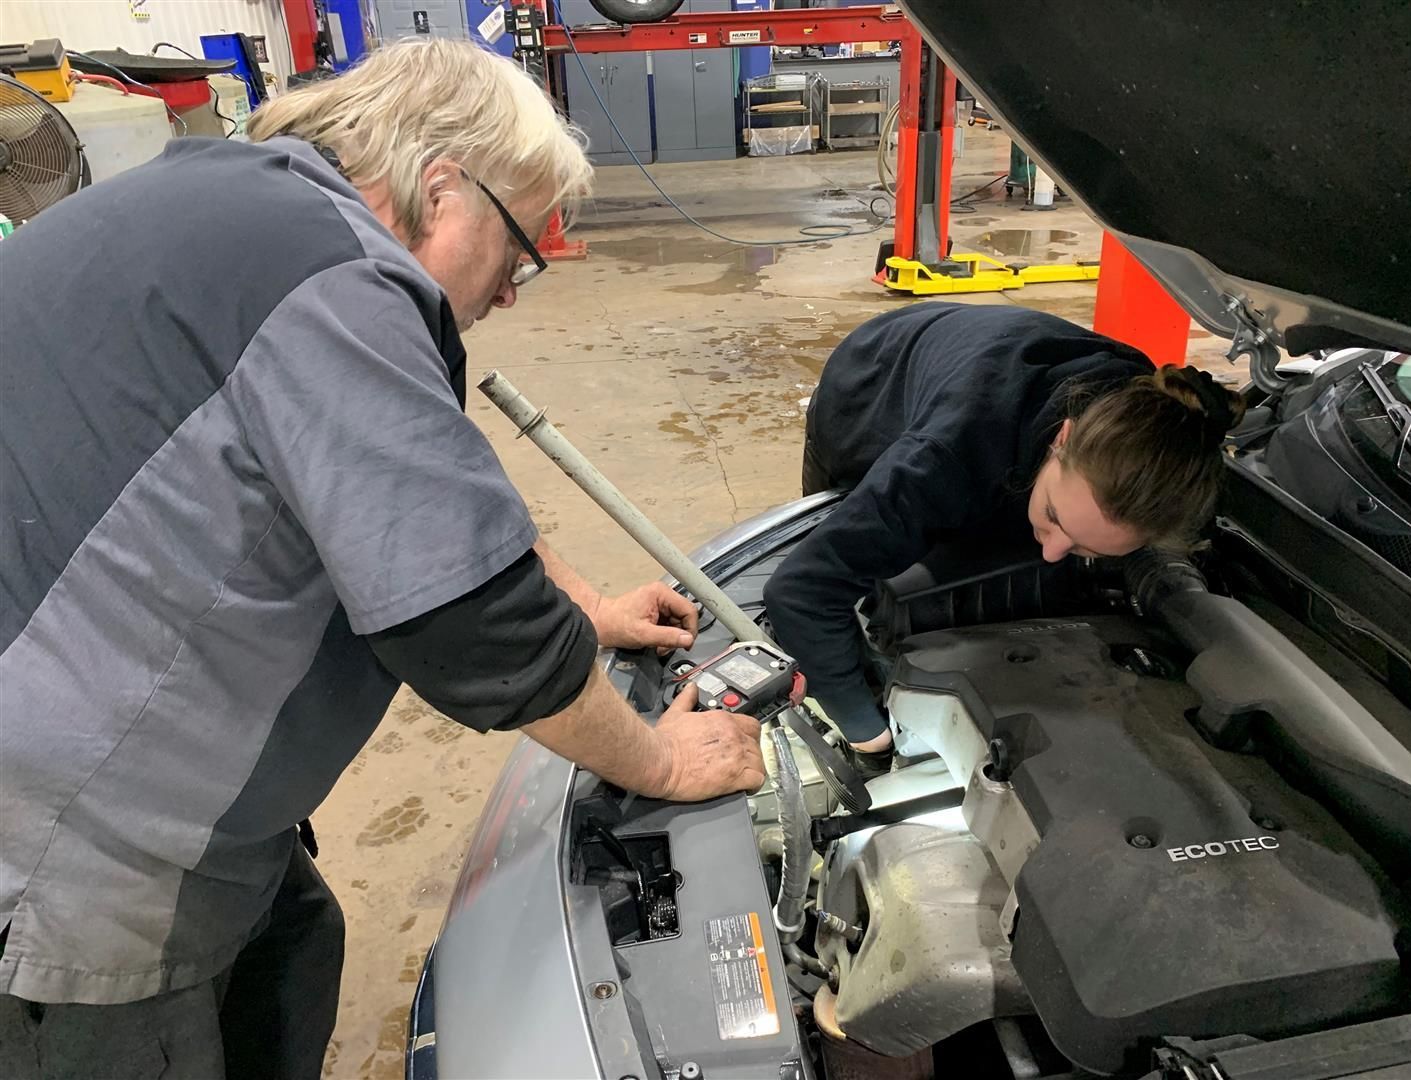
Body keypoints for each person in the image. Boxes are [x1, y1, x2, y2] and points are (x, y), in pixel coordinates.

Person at [0, 40, 764, 1080]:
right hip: (68, 858)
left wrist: (583, 606)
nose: (509, 292)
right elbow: (475, 633)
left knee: (297, 951)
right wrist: (662, 760)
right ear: (443, 184)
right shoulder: (335, 271)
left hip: (96, 757)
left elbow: (419, 477)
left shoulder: (231, 208)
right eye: (519, 248)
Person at [764, 302, 1245, 776]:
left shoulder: (1162, 428)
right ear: (1062, 438)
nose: (1053, 551)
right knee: (859, 576)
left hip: (993, 360)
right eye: (1055, 517)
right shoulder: (942, 460)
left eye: (1088, 549)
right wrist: (872, 739)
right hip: (875, 377)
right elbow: (801, 592)